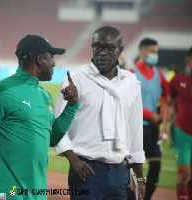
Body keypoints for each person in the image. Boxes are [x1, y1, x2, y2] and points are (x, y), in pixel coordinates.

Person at [0, 34, 80, 200]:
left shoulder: (44, 95)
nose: (54, 62)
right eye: (51, 57)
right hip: (9, 192)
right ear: (39, 59)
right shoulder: (1, 91)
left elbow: (51, 138)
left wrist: (72, 106)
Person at [55, 26, 145, 200]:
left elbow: (135, 133)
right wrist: (73, 160)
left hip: (120, 172)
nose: (102, 53)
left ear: (120, 50)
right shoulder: (76, 80)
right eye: (97, 47)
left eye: (109, 48)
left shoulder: (131, 83)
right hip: (86, 171)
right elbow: (58, 128)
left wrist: (139, 177)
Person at [128, 38, 169, 200]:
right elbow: (130, 102)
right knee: (131, 168)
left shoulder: (158, 74)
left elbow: (168, 96)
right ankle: (131, 196)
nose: (155, 55)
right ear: (142, 52)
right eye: (152, 51)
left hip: (152, 129)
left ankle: (144, 197)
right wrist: (153, 115)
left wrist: (164, 110)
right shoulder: (131, 73)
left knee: (155, 166)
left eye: (156, 52)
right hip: (136, 127)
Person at [161, 46, 192, 200]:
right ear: (189, 61)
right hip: (182, 131)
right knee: (183, 171)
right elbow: (169, 104)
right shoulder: (177, 80)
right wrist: (165, 128)